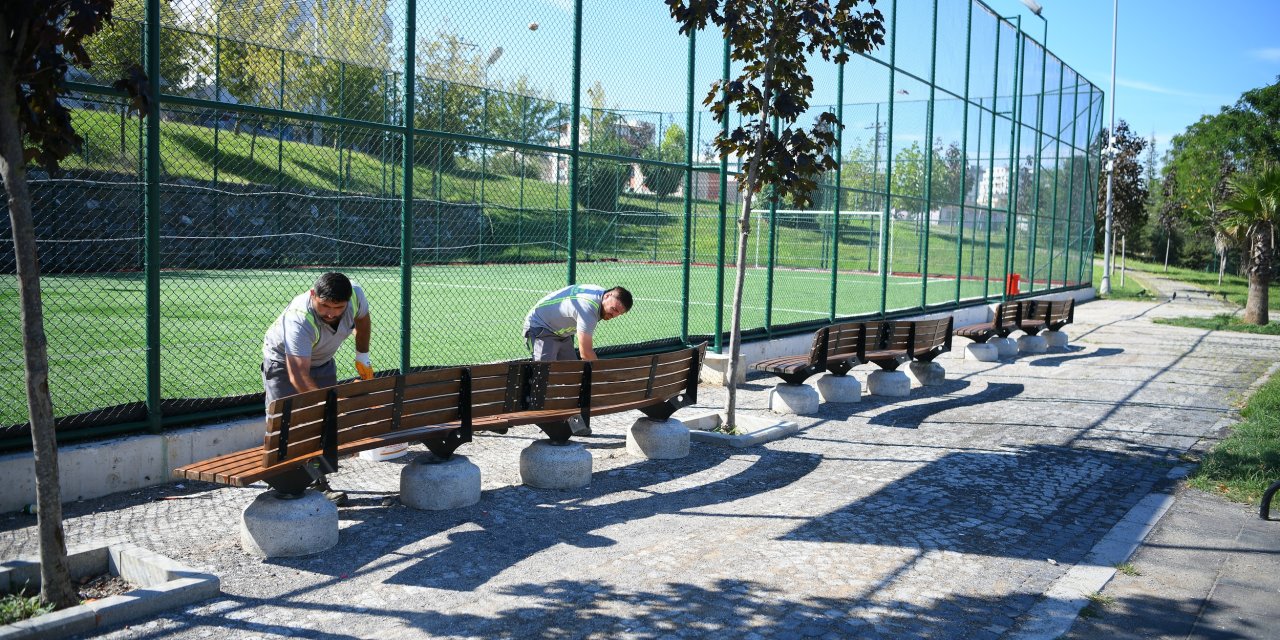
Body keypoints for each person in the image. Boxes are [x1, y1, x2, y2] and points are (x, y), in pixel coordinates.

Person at [262, 272, 371, 504]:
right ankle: (284, 483)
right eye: (324, 306)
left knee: (321, 428)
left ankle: (317, 482)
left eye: (338, 307)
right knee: (288, 422)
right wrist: (328, 406)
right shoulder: (299, 319)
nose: (331, 313)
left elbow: (362, 319)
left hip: (321, 361)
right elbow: (298, 375)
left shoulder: (356, 295)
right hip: (284, 363)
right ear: (313, 295)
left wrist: (363, 356)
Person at [522, 284, 632, 362]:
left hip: (561, 334)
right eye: (614, 309)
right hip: (539, 328)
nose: (614, 315)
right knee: (544, 376)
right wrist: (601, 376)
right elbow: (586, 354)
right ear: (607, 296)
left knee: (571, 374)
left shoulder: (602, 296)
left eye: (619, 313)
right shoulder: (588, 308)